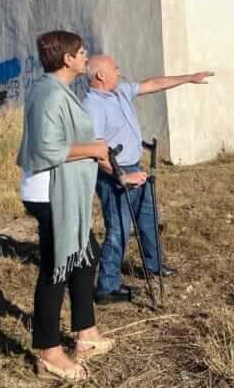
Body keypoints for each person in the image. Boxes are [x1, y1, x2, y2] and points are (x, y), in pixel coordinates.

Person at [17, 31, 115, 382]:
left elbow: (72, 141)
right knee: (56, 269)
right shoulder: (48, 94)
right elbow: (48, 149)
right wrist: (93, 150)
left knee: (85, 254)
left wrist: (110, 164)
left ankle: (86, 334)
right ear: (67, 59)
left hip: (63, 191)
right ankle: (48, 352)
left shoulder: (58, 91)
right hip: (49, 193)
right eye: (81, 52)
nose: (87, 56)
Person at [82, 55, 213, 304]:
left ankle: (153, 265)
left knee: (149, 218)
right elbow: (94, 151)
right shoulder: (92, 106)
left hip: (135, 168)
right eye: (115, 67)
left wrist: (188, 78)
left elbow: (153, 84)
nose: (119, 71)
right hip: (115, 174)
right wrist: (122, 176)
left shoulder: (119, 92)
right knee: (119, 229)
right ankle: (107, 287)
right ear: (100, 75)